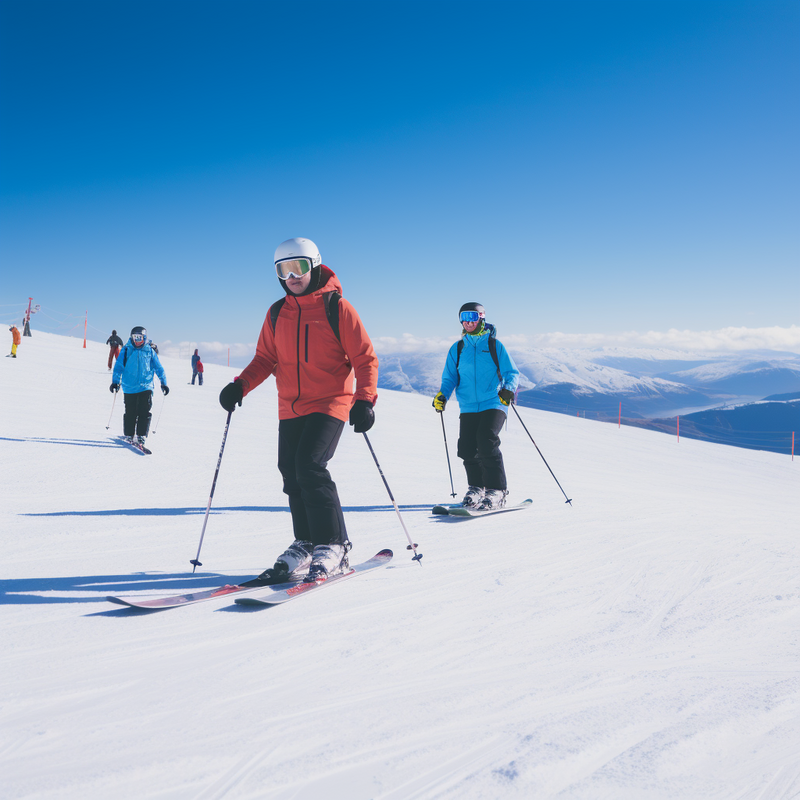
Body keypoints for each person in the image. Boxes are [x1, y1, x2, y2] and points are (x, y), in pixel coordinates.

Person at [219, 237, 378, 582]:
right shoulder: (277, 313)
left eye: (299, 267)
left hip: (331, 402)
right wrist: (240, 385)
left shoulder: (338, 307)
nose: (292, 276)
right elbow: (265, 358)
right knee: (290, 471)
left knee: (310, 465)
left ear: (315, 265)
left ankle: (334, 545)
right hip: (290, 406)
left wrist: (364, 399)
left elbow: (364, 357)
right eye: (284, 269)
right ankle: (306, 541)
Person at [433, 302, 520, 510]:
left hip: (494, 402)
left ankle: (497, 490)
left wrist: (508, 389)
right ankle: (477, 488)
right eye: (463, 317)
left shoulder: (494, 345)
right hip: (469, 406)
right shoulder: (458, 348)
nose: (468, 321)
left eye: (472, 316)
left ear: (481, 317)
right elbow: (450, 377)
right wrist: (443, 395)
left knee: (486, 440)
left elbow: (511, 373)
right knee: (467, 447)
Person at [110, 326, 169, 447]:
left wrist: (164, 383)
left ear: (144, 337)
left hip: (145, 386)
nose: (137, 340)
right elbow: (118, 367)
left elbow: (158, 368)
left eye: (140, 337)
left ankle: (141, 435)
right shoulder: (126, 350)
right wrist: (115, 381)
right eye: (135, 337)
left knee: (144, 411)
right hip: (129, 387)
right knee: (130, 412)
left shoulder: (149, 351)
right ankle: (129, 434)